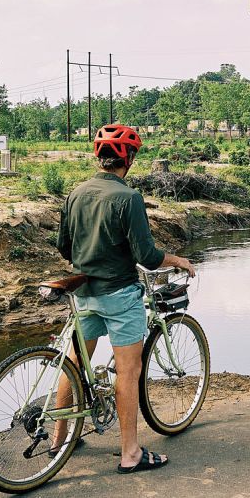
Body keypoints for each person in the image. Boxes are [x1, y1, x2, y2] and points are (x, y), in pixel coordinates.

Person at [55, 123, 195, 473]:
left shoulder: (76, 193)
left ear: (98, 157)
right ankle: (130, 453)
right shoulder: (128, 198)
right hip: (119, 295)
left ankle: (59, 439)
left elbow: (64, 247)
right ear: (128, 158)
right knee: (128, 373)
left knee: (74, 362)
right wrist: (176, 260)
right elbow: (147, 257)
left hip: (84, 292)